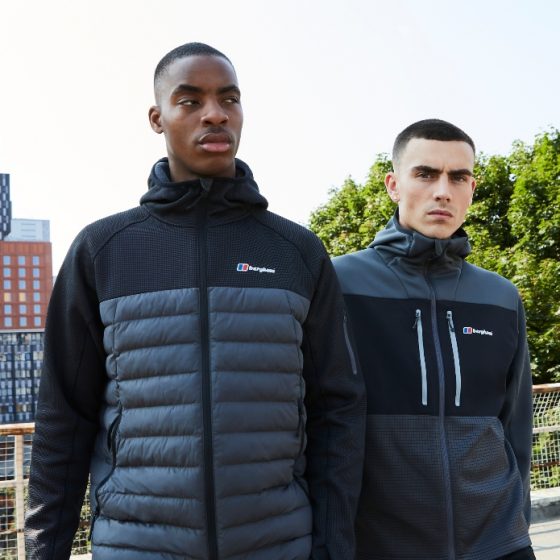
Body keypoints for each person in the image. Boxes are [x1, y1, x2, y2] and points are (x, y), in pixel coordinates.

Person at [25, 42, 366, 560]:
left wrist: (333, 548)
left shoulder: (295, 250)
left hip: (278, 544)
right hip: (135, 546)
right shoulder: (102, 249)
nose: (215, 114)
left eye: (229, 99)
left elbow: (337, 409)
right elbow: (63, 419)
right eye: (190, 101)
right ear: (156, 118)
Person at [333, 119, 535, 560]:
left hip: (499, 544)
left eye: (458, 177)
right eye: (425, 174)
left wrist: (516, 528)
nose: (443, 191)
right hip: (381, 546)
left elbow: (516, 426)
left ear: (472, 190)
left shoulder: (501, 296)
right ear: (393, 185)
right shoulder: (338, 283)